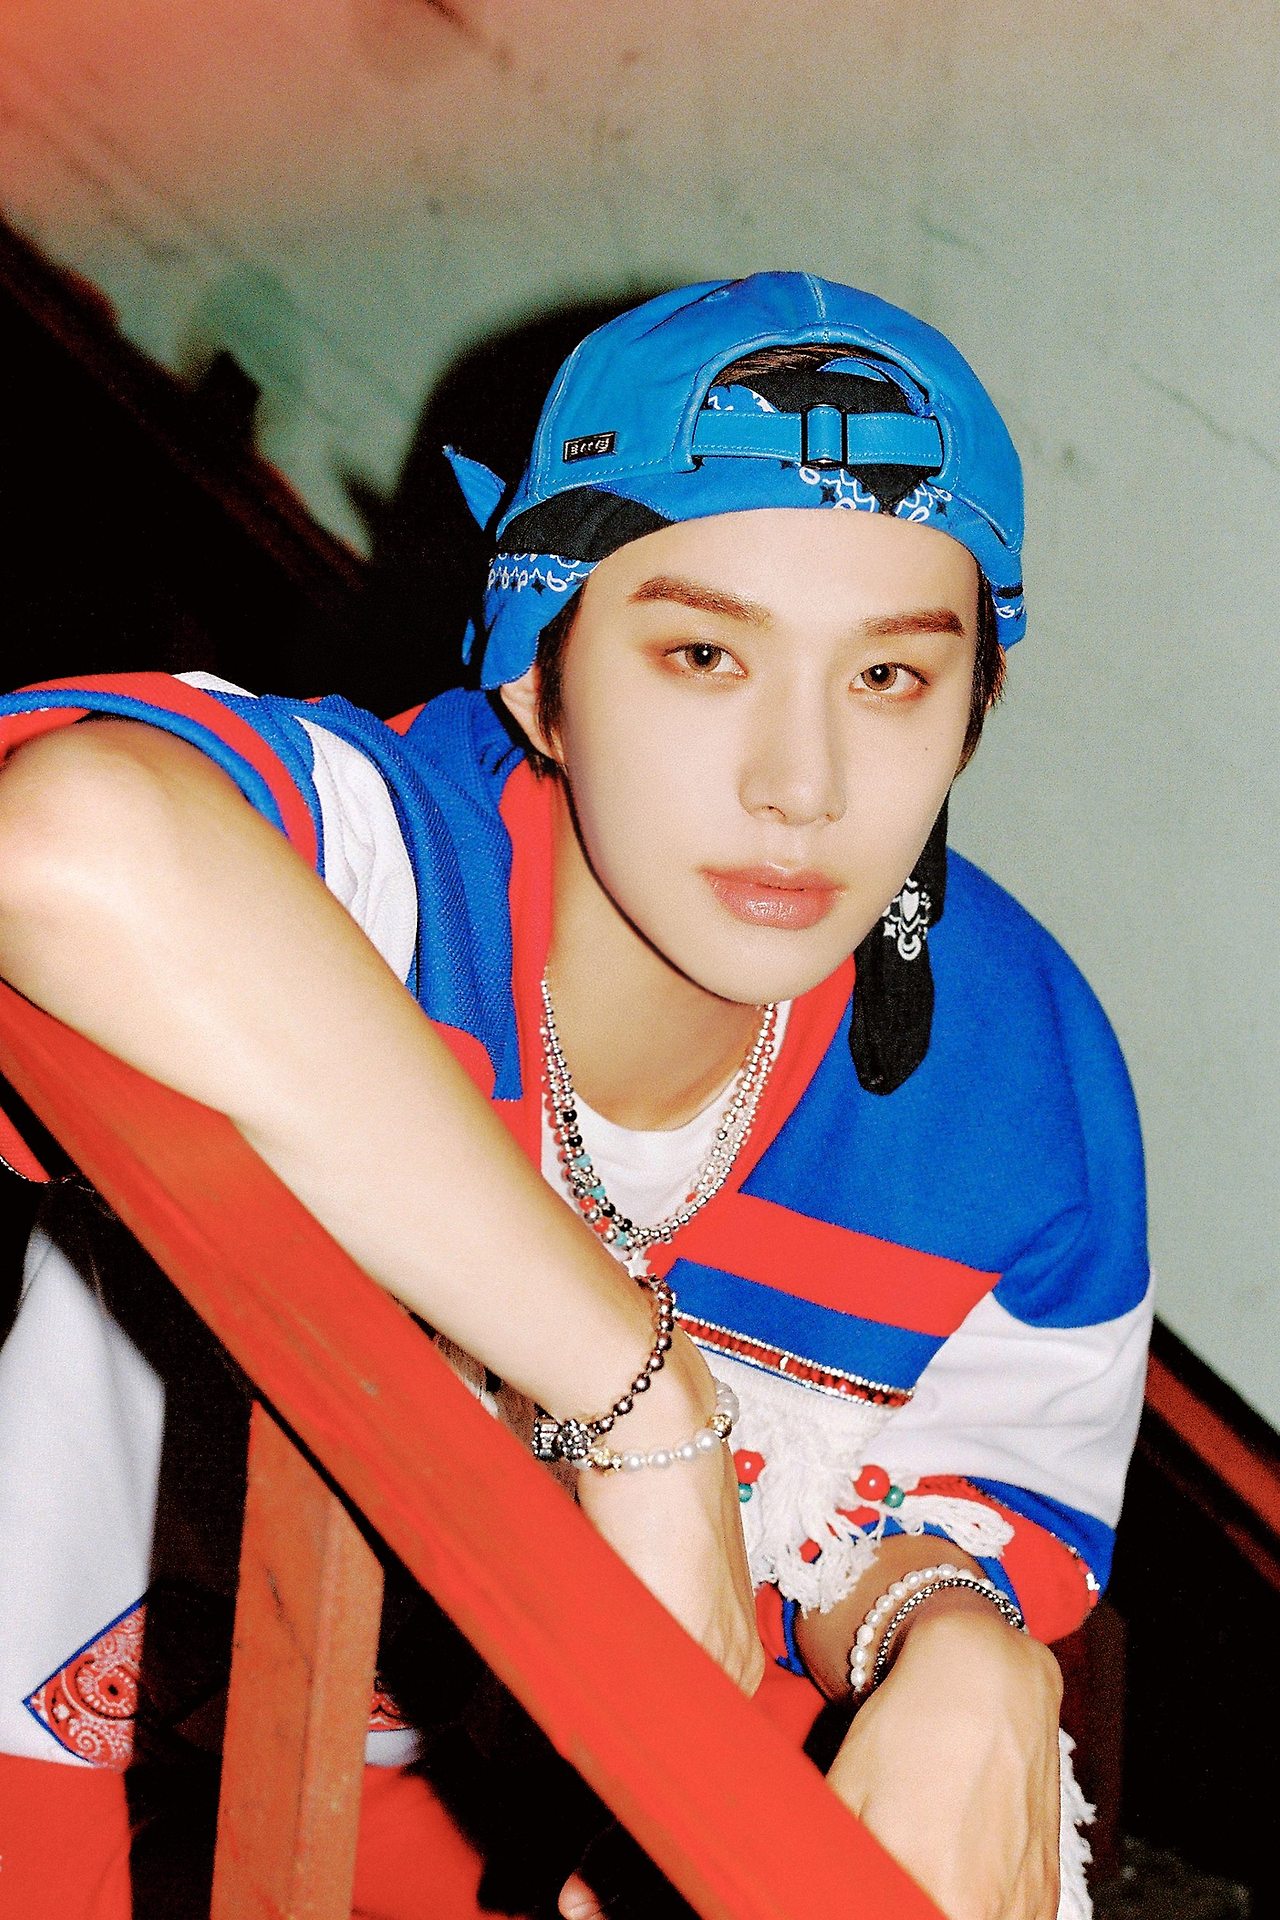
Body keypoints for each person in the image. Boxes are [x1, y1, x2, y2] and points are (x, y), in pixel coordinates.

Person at [0, 272, 1151, 1920]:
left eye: (890, 678)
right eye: (703, 653)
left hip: (542, 1807)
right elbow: (57, 843)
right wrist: (637, 1392)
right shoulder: (393, 874)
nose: (802, 786)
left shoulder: (1014, 1084)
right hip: (87, 1758)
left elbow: (889, 1530)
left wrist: (963, 1652)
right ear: (538, 677)